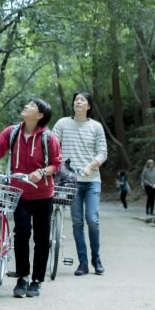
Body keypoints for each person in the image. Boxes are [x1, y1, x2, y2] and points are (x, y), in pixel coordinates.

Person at [0, 99, 61, 298]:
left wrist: (42, 172)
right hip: (19, 193)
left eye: (31, 106)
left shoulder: (48, 137)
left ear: (40, 115)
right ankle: (23, 277)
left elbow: (56, 164)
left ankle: (36, 281)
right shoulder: (12, 133)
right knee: (21, 233)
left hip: (43, 194)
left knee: (42, 239)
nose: (26, 106)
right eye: (26, 104)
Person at [52, 91, 108, 276]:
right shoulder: (62, 124)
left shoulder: (96, 127)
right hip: (70, 182)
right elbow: (51, 144)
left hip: (92, 180)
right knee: (77, 223)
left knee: (92, 219)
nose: (78, 102)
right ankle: (83, 263)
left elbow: (102, 153)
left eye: (82, 100)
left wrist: (90, 166)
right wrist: (57, 165)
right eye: (76, 99)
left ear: (89, 106)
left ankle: (96, 259)